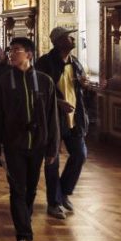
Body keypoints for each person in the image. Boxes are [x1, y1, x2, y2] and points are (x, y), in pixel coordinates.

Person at [0, 37, 59, 241]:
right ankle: (24, 235)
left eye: (16, 50)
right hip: (14, 145)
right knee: (17, 189)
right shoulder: (2, 83)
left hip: (38, 145)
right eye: (10, 50)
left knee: (30, 189)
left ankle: (24, 219)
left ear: (29, 54)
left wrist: (53, 148)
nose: (11, 53)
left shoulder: (45, 81)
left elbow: (52, 118)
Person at [39, 27, 90, 220]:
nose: (73, 38)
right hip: (54, 120)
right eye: (69, 36)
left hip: (74, 119)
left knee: (80, 155)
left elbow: (78, 88)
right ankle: (54, 202)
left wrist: (86, 85)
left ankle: (64, 192)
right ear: (59, 41)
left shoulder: (75, 62)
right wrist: (58, 103)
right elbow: (39, 94)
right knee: (52, 160)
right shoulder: (45, 63)